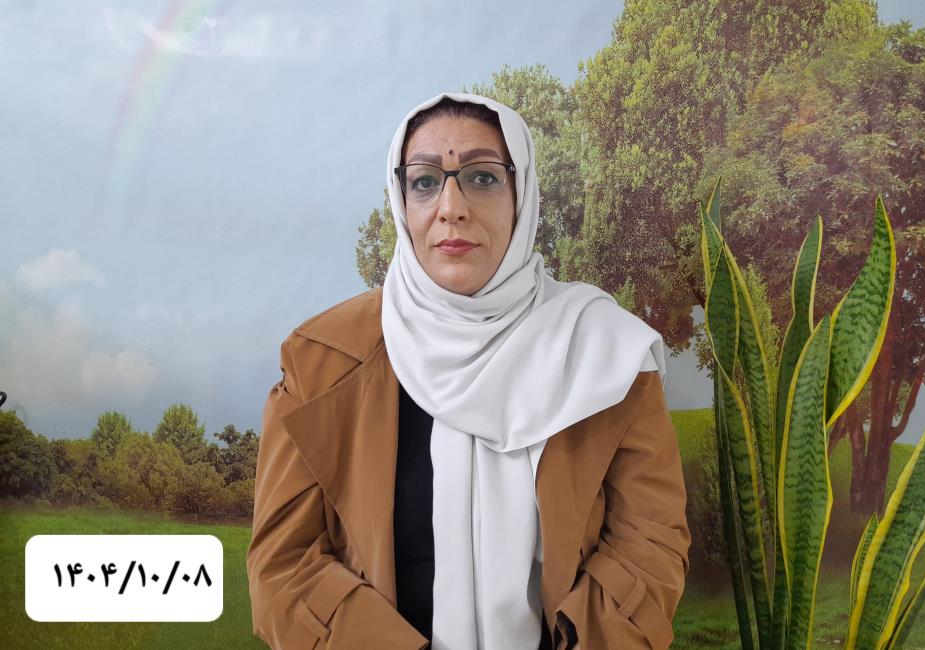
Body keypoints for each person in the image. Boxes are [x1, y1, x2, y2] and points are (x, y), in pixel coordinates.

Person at [246, 91, 691, 650]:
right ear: (400, 201)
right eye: (425, 181)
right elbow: (284, 567)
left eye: (481, 178)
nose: (451, 206)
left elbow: (650, 547)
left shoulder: (608, 354)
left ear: (521, 195)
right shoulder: (320, 361)